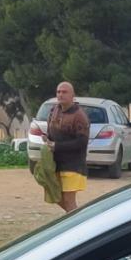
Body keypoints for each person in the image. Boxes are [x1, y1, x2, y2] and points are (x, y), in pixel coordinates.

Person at [43, 81, 90, 213]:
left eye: (64, 92)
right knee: (54, 195)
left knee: (69, 201)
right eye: (58, 92)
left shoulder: (79, 115)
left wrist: (57, 146)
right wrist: (47, 139)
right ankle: (78, 218)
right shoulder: (54, 110)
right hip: (56, 163)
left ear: (72, 95)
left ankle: (79, 226)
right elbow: (51, 132)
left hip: (73, 165)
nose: (61, 94)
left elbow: (82, 142)